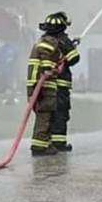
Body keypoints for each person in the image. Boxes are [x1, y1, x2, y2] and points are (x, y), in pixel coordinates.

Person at [26, 13, 65, 156]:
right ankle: (39, 147)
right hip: (44, 88)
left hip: (38, 87)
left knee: (46, 116)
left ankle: (44, 143)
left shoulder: (43, 42)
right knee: (45, 116)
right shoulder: (49, 44)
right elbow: (47, 68)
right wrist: (55, 70)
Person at [48, 12, 80, 152]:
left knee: (48, 114)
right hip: (60, 86)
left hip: (46, 85)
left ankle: (46, 142)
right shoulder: (63, 39)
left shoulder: (45, 40)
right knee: (61, 114)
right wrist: (71, 48)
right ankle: (59, 143)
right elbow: (74, 59)